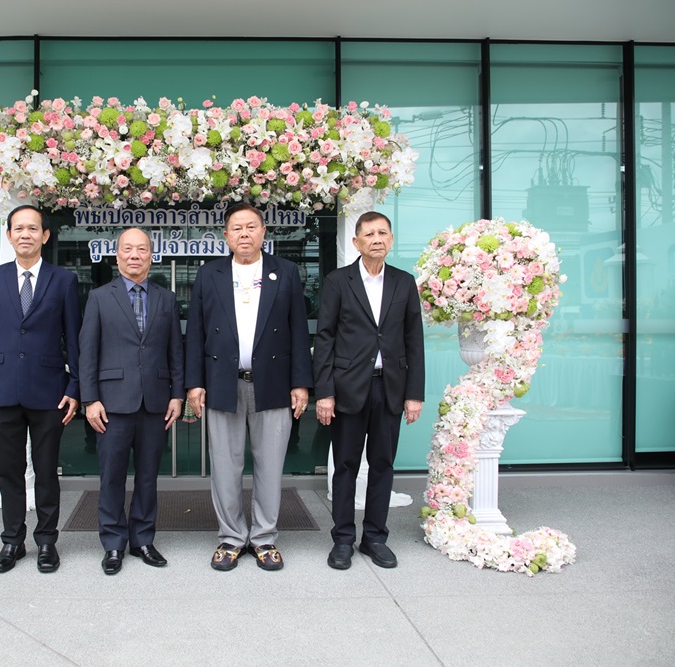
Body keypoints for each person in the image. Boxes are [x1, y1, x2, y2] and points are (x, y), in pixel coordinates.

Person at [185, 203, 313, 572]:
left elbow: (298, 331)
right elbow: (195, 332)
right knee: (225, 465)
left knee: (270, 465)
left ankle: (264, 538)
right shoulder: (209, 274)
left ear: (263, 232)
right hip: (222, 383)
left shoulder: (285, 272)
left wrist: (301, 383)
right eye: (237, 228)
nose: (244, 234)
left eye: (251, 226)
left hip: (272, 383)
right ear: (226, 236)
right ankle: (230, 538)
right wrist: (194, 384)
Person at [0, 204, 81, 574]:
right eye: (18, 228)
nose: (25, 234)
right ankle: (12, 541)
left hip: (49, 390)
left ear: (45, 236)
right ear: (9, 235)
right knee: (9, 470)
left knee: (47, 471)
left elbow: (74, 338)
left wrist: (75, 386)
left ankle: (47, 541)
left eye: (33, 228)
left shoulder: (63, 280)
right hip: (1, 389)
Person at [313, 211, 425, 570]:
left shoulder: (404, 283)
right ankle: (343, 539)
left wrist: (414, 394)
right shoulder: (338, 281)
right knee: (345, 466)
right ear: (356, 242)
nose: (377, 239)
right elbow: (325, 338)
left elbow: (414, 340)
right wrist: (324, 392)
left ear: (391, 239)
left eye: (383, 233)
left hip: (390, 388)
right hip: (347, 389)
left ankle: (375, 538)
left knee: (382, 465)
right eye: (369, 234)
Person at [79, 228, 185, 575]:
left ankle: (142, 539)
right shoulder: (99, 297)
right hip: (111, 403)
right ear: (117, 256)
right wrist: (90, 399)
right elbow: (87, 352)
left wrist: (177, 394)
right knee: (111, 476)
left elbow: (176, 351)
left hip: (155, 402)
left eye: (141, 249)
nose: (134, 255)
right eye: (128, 249)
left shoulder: (166, 299)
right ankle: (113, 543)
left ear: (151, 256)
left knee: (148, 476)